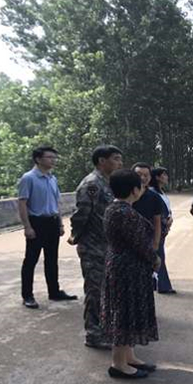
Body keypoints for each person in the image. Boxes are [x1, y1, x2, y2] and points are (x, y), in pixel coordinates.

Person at [101, 169, 161, 379]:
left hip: (123, 266)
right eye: (141, 186)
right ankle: (118, 364)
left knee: (128, 310)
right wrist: (155, 260)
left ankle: (129, 356)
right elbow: (140, 244)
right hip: (127, 269)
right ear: (134, 190)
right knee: (124, 312)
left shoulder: (115, 208)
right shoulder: (124, 213)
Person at [68, 145, 123, 349]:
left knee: (106, 290)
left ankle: (105, 328)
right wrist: (76, 236)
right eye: (116, 159)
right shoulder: (92, 184)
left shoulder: (108, 183)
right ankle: (93, 333)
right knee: (94, 290)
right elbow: (81, 214)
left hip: (107, 245)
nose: (120, 163)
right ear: (102, 160)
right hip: (93, 246)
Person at [18, 146, 77, 309]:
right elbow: (22, 204)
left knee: (52, 259)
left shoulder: (52, 178)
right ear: (38, 159)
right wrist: (27, 227)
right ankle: (27, 295)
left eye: (54, 157)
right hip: (36, 222)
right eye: (49, 157)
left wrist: (60, 223)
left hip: (52, 222)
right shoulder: (28, 178)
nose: (53, 160)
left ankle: (54, 291)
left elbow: (56, 203)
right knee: (31, 260)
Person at [149, 167, 176, 294]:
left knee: (159, 255)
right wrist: (165, 221)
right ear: (157, 177)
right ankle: (163, 285)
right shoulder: (153, 193)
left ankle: (158, 283)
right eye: (164, 175)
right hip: (157, 229)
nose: (166, 177)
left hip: (163, 228)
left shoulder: (161, 192)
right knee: (159, 256)